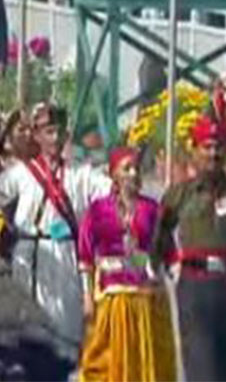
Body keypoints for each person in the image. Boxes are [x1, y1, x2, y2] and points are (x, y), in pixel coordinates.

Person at [0, 103, 111, 376]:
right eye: (48, 132)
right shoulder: (23, 173)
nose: (55, 139)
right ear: (38, 136)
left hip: (65, 260)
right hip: (29, 257)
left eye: (59, 132)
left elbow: (109, 193)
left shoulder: (80, 175)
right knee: (24, 340)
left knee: (63, 339)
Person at [158, 88, 226, 382]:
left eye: (219, 146)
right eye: (207, 146)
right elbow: (158, 234)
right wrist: (170, 263)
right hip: (195, 289)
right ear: (194, 150)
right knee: (201, 371)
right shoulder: (181, 194)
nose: (213, 153)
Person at [77, 145, 176, 382]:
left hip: (145, 301)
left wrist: (164, 282)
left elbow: (167, 252)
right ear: (114, 174)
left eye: (137, 168)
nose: (133, 173)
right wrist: (87, 296)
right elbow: (85, 256)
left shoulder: (152, 209)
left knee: (147, 366)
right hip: (112, 300)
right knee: (105, 365)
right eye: (127, 168)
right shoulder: (98, 210)